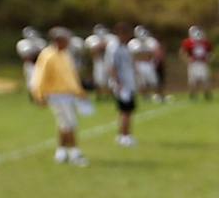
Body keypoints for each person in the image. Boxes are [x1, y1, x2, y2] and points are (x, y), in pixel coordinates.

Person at [30, 27, 90, 167]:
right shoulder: (48, 55)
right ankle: (75, 153)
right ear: (58, 41)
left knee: (64, 124)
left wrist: (79, 91)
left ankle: (61, 151)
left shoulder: (65, 54)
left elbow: (71, 76)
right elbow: (40, 77)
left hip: (68, 95)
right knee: (69, 124)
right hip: (57, 95)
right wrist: (39, 95)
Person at [102, 28, 140, 147]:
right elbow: (112, 67)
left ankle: (122, 134)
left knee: (126, 111)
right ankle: (125, 135)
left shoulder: (125, 47)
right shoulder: (115, 48)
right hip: (123, 84)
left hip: (128, 82)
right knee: (126, 111)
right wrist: (118, 83)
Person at [181, 27, 213, 99]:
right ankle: (193, 95)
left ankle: (207, 94)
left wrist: (209, 59)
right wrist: (187, 60)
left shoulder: (205, 43)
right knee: (193, 80)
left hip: (203, 63)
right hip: (193, 63)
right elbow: (183, 53)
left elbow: (210, 53)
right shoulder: (188, 42)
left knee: (205, 79)